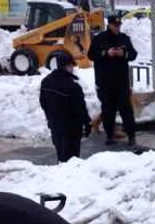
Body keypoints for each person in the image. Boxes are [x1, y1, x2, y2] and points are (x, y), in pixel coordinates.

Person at [88, 14, 137, 146]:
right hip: (105, 82)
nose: (117, 28)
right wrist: (106, 53)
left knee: (125, 109)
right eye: (115, 25)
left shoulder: (124, 38)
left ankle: (131, 135)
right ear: (109, 24)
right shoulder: (99, 39)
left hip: (121, 82)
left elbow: (133, 54)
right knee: (108, 110)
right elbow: (91, 55)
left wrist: (124, 54)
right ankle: (109, 135)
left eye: (119, 25)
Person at [40, 53, 91, 162]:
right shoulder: (73, 86)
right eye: (72, 65)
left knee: (61, 155)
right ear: (67, 66)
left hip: (55, 126)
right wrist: (87, 123)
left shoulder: (46, 82)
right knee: (72, 160)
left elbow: (43, 103)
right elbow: (80, 109)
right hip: (72, 130)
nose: (73, 68)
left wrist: (51, 118)